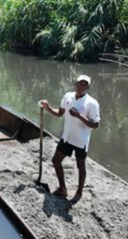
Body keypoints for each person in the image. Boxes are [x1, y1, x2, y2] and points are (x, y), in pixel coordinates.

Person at [40, 74, 100, 203]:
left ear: (88, 87)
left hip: (81, 140)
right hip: (67, 136)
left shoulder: (92, 103)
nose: (82, 87)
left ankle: (79, 192)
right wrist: (48, 108)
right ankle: (63, 188)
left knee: (80, 166)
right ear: (76, 84)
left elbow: (95, 124)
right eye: (80, 84)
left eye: (85, 85)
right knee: (56, 161)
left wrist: (79, 116)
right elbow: (60, 113)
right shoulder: (68, 97)